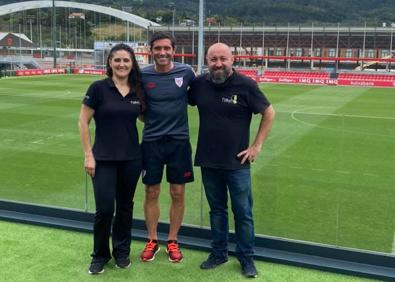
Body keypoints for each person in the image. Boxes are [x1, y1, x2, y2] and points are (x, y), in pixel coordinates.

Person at [188, 43, 275, 278]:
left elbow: (269, 112)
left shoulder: (246, 85)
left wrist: (256, 146)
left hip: (237, 164)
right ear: (207, 60)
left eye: (223, 59)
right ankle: (219, 253)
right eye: (213, 59)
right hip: (208, 161)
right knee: (217, 211)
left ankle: (246, 258)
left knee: (243, 213)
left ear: (232, 59)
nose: (218, 64)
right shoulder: (198, 85)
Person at [78, 43, 145, 275]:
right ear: (110, 63)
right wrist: (88, 155)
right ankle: (100, 255)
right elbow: (83, 122)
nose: (122, 64)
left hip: (131, 159)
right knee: (105, 209)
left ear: (132, 63)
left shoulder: (138, 90)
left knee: (125, 208)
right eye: (117, 60)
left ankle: (122, 252)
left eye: (126, 60)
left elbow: (147, 119)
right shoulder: (98, 88)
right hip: (103, 159)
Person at [139, 32, 195, 263]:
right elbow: (137, 106)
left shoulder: (186, 72)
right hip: (151, 142)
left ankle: (172, 240)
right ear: (151, 51)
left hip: (179, 142)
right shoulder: (142, 75)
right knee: (151, 191)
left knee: (177, 192)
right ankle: (152, 240)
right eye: (157, 48)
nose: (162, 52)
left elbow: (202, 93)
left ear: (173, 50)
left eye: (166, 48)